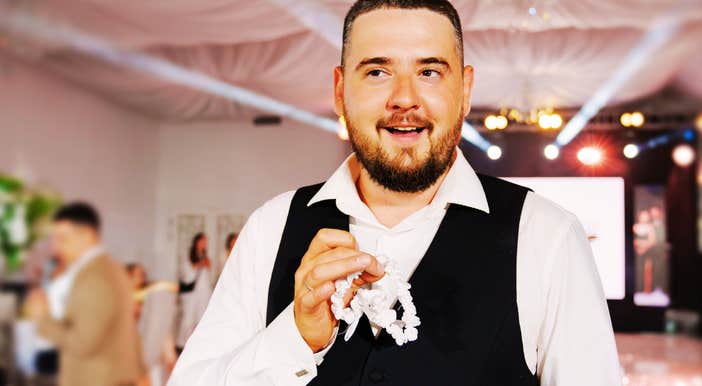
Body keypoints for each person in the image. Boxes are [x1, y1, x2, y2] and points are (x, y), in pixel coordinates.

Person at [169, 1, 621, 385]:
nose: (404, 98)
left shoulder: (548, 235)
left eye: (429, 71)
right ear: (340, 90)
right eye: (378, 71)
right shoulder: (271, 226)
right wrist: (295, 337)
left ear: (465, 90)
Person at [25, 202, 146, 386]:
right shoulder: (109, 268)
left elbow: (82, 343)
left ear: (87, 235)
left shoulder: (95, 277)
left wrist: (42, 317)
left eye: (62, 239)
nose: (55, 247)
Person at [175, 232, 213, 352]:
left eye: (206, 241)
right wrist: (200, 264)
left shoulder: (205, 256)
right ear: (197, 242)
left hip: (203, 292)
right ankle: (181, 344)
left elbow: (207, 274)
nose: (205, 243)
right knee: (188, 318)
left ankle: (196, 345)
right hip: (191, 293)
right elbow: (187, 272)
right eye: (203, 241)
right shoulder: (189, 256)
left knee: (201, 318)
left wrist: (206, 263)